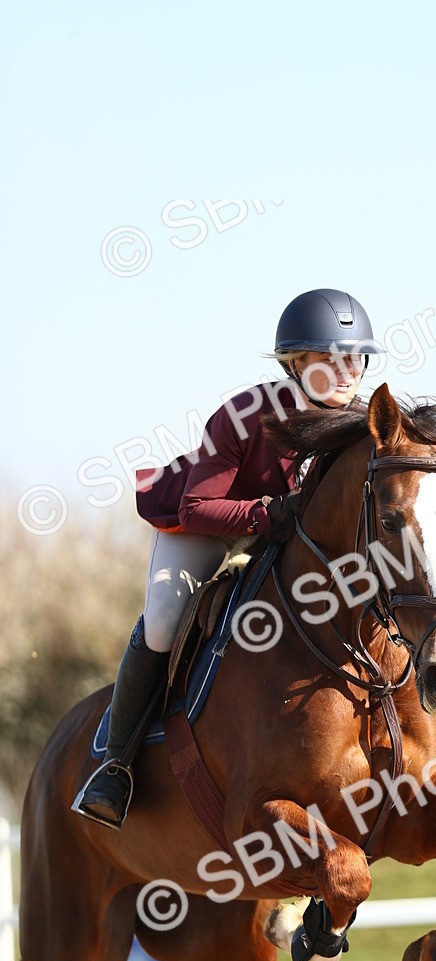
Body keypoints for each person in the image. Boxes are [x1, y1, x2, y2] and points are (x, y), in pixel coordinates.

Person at [75, 288, 381, 829]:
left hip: (284, 536)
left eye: (354, 357)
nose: (347, 371)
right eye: (329, 359)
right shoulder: (245, 415)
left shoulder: (362, 423)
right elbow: (198, 506)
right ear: (295, 363)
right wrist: (266, 516)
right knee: (166, 620)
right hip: (210, 522)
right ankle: (114, 764)